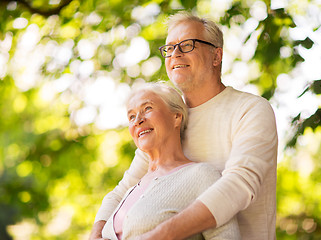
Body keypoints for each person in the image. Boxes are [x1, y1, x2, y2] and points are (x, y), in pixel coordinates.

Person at [90, 11, 278, 240]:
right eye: (169, 48)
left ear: (216, 56)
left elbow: (239, 185)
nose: (175, 54)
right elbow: (123, 192)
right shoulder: (166, 122)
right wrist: (96, 235)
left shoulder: (249, 109)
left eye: (187, 45)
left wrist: (161, 235)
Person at [100, 82, 240, 239]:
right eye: (131, 116)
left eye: (147, 109)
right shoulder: (133, 189)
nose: (137, 120)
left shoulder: (201, 175)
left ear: (176, 117)